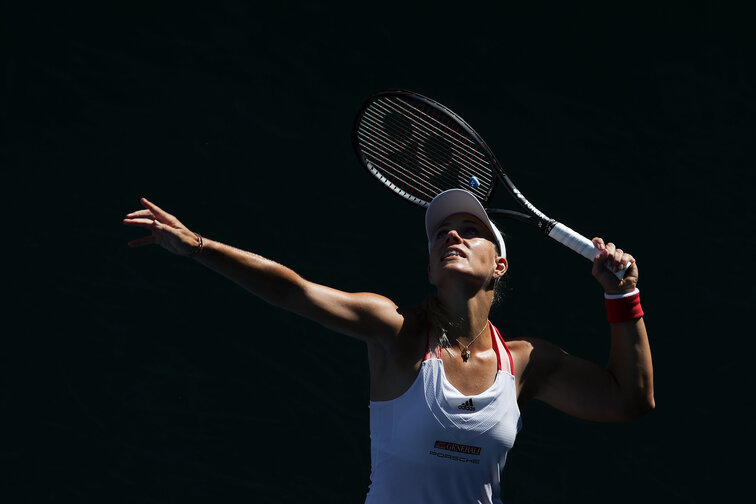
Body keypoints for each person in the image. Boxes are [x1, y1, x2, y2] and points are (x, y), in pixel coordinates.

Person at [123, 189, 653, 503]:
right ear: (428, 267)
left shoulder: (526, 363)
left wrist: (622, 293)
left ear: (499, 265)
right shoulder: (396, 332)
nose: (452, 235)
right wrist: (197, 247)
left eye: (470, 229)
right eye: (441, 233)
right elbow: (295, 290)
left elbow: (628, 399)